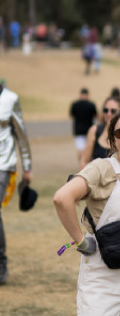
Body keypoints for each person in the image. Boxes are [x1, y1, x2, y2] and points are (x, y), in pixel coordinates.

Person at [53, 106, 120, 315]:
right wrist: (80, 241)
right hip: (101, 284)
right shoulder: (101, 169)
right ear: (113, 139)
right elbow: (62, 198)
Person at [0, 84, 33, 284]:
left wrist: (27, 167)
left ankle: (1, 264)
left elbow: (21, 136)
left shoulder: (10, 99)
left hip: (3, 164)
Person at [80, 96, 120, 170]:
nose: (108, 114)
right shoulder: (94, 131)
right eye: (105, 110)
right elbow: (85, 162)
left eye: (113, 111)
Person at [70, 88, 97, 162]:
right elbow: (95, 116)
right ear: (87, 95)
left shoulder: (75, 104)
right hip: (89, 130)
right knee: (89, 148)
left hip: (78, 130)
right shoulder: (91, 105)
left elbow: (71, 115)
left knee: (80, 149)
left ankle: (81, 163)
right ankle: (87, 163)